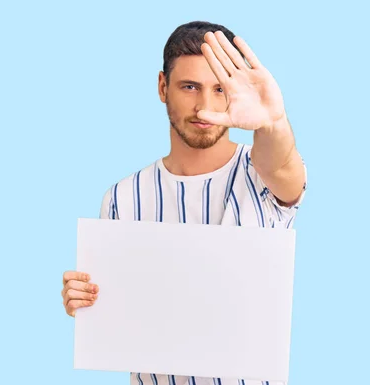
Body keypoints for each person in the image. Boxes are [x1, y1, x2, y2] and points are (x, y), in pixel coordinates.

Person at [60, 21, 307, 385]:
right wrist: (86, 301)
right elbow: (121, 319)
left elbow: (283, 166)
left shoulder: (262, 175)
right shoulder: (122, 198)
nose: (204, 107)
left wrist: (274, 122)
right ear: (163, 87)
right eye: (190, 87)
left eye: (220, 89)